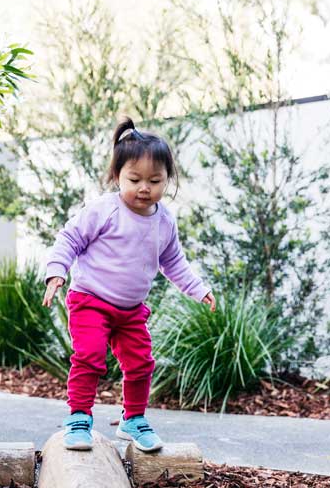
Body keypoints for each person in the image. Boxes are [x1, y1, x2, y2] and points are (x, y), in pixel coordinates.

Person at [42, 116, 216, 452]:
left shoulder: (164, 220)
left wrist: (199, 288)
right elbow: (70, 238)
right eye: (134, 179)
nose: (144, 188)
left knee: (141, 362)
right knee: (90, 355)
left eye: (155, 180)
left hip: (131, 310)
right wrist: (57, 271)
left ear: (168, 180)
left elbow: (174, 261)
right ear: (117, 176)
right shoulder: (104, 210)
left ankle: (133, 419)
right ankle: (79, 417)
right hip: (90, 300)